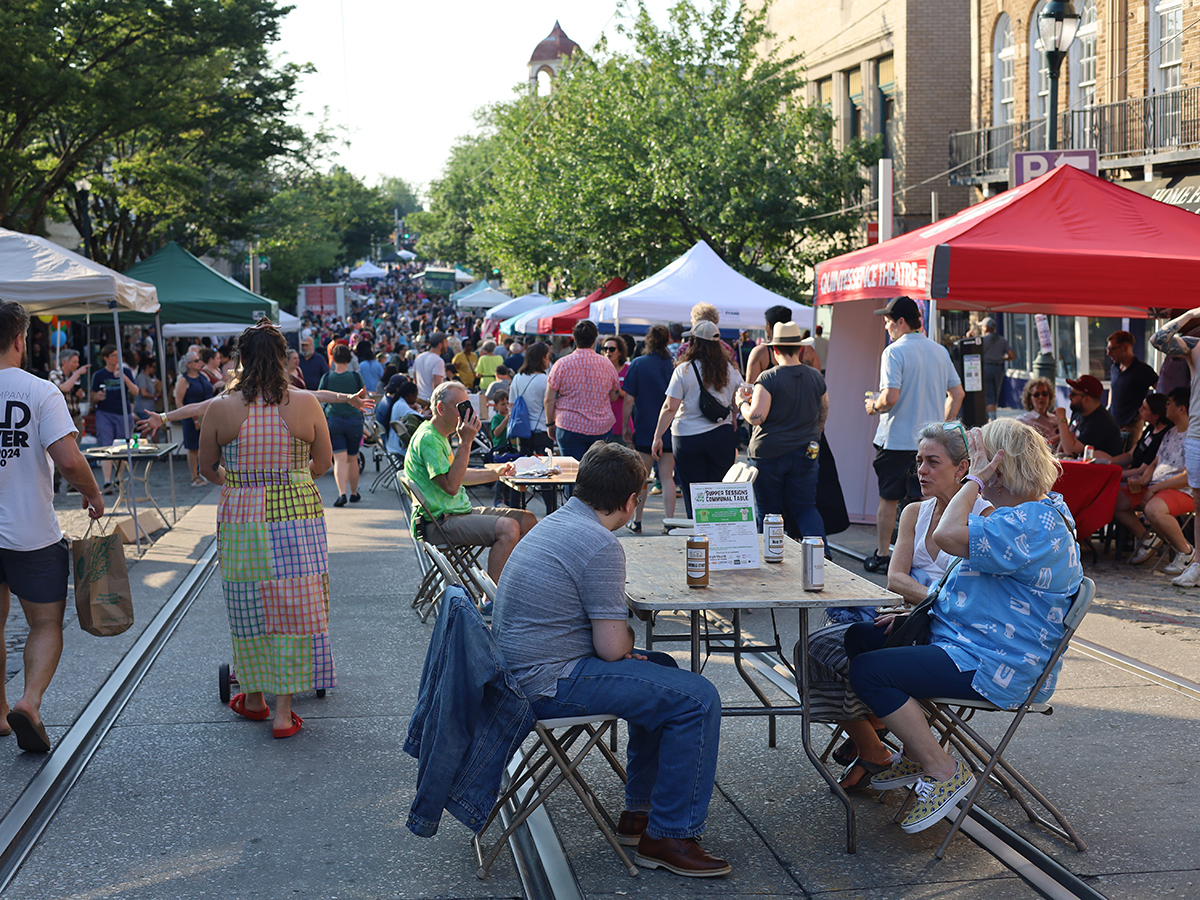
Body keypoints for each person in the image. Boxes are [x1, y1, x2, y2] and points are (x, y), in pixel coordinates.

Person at [492, 443, 731, 877]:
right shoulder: (599, 543)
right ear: (631, 502)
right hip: (548, 683)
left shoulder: (559, 522)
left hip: (522, 670)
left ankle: (640, 815)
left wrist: (628, 647)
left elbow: (612, 647)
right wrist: (628, 642)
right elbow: (612, 649)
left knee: (664, 671)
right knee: (697, 699)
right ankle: (670, 836)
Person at [846, 418, 1082, 834]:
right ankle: (919, 750)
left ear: (998, 467)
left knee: (870, 671)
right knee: (863, 639)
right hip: (971, 642)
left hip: (996, 663)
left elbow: (947, 534)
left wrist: (973, 479)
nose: (975, 467)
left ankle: (943, 769)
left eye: (979, 460)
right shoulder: (1026, 515)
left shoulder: (1031, 523)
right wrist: (921, 611)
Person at [807, 422, 992, 792]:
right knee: (816, 648)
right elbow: (895, 579)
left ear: (962, 468)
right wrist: (933, 603)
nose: (921, 471)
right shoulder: (913, 512)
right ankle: (873, 743)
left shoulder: (984, 517)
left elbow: (973, 601)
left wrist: (925, 606)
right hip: (911, 626)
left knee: (859, 654)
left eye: (932, 462)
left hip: (946, 638)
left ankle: (885, 735)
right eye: (919, 461)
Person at [198, 321, 334, 739]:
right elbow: (324, 464)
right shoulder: (306, 403)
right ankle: (283, 711)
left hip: (242, 519)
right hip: (297, 514)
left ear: (240, 359)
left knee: (247, 606)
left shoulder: (220, 407)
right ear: (284, 359)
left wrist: (242, 482)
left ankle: (254, 697)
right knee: (296, 606)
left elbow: (207, 469)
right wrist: (289, 476)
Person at [1, 301, 104, 753]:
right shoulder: (41, 392)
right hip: (30, 533)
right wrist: (93, 492)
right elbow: (67, 459)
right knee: (44, 622)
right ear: (21, 340)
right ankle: (30, 702)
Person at [863, 297, 965, 572]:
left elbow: (890, 397)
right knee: (929, 500)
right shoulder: (939, 351)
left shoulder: (894, 351)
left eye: (888, 322)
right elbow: (957, 394)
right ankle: (930, 556)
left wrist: (874, 405)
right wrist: (943, 426)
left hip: (896, 438)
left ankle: (884, 554)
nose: (886, 328)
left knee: (888, 498)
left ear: (901, 322)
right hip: (930, 442)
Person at [403, 381, 536, 582]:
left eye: (468, 406)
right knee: (508, 528)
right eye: (462, 408)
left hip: (454, 512)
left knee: (528, 520)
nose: (468, 414)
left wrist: (497, 473)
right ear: (440, 409)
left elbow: (458, 474)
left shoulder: (437, 433)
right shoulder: (429, 439)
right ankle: (491, 597)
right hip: (439, 522)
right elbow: (451, 486)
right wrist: (466, 442)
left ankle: (509, 583)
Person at [737, 321, 827, 538]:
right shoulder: (816, 376)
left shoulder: (769, 377)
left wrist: (742, 403)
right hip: (806, 450)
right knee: (806, 507)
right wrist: (815, 434)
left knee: (768, 512)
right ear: (801, 348)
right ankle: (820, 555)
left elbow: (757, 417)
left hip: (769, 453)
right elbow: (824, 410)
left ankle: (769, 559)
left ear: (774, 350)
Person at [652, 320, 744, 517]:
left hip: (687, 437)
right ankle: (716, 538)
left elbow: (670, 407)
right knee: (718, 493)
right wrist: (733, 415)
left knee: (693, 493)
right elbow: (739, 400)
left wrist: (658, 436)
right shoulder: (731, 370)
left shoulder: (684, 369)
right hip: (721, 435)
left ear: (694, 342)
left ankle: (698, 540)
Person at [1119, 387, 1194, 577]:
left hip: (1183, 490)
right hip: (1157, 487)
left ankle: (1186, 552)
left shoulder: (1194, 436)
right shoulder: (1171, 433)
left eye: (1169, 403)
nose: (1165, 407)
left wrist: (1155, 488)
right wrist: (1142, 481)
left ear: (1181, 409)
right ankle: (1148, 539)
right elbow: (1154, 463)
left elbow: (1188, 476)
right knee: (1116, 500)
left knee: (1153, 509)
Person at [1151, 307, 1200, 588]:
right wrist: (1191, 314)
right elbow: (1159, 339)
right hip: (1197, 436)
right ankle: (1196, 565)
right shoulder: (1195, 346)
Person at [622, 325, 677, 533]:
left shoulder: (638, 364)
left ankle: (637, 520)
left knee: (642, 477)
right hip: (670, 429)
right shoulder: (675, 365)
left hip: (645, 427)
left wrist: (626, 424)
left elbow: (628, 399)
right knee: (667, 476)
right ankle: (670, 522)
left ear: (648, 340)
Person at [545, 320, 620, 460]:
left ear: (574, 339)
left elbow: (549, 399)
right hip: (601, 427)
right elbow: (614, 395)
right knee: (598, 473)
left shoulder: (562, 364)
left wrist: (549, 423)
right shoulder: (607, 364)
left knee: (573, 474)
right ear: (594, 340)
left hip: (569, 425)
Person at [90, 343, 142, 492]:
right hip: (105, 413)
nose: (116, 358)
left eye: (118, 355)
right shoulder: (99, 375)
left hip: (123, 413)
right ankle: (107, 481)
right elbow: (92, 397)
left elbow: (136, 391)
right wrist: (97, 397)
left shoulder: (125, 371)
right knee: (106, 446)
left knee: (121, 447)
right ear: (106, 358)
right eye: (113, 355)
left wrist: (124, 377)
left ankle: (119, 478)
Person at [319, 344, 366, 507]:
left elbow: (321, 397)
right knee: (353, 459)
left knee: (339, 459)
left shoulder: (326, 378)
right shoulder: (356, 377)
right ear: (349, 358)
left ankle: (342, 493)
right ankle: (354, 493)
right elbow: (363, 396)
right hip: (354, 420)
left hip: (334, 419)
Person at [1106, 330, 1159, 441]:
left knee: (1128, 456)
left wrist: (1145, 411)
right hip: (1113, 422)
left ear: (1125, 347)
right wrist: (1109, 405)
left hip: (1131, 425)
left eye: (1112, 349)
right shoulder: (1114, 368)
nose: (1108, 353)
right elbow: (1113, 387)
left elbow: (1160, 389)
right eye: (1107, 349)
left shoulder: (1142, 370)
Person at [1054, 374, 1123, 458]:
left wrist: (1062, 420)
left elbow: (1071, 450)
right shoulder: (1079, 411)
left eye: (1073, 394)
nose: (1069, 396)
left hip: (1100, 468)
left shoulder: (1100, 422)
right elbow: (1067, 437)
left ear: (1086, 399)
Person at [175, 351, 214, 486]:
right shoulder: (184, 380)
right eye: (196, 361)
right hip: (192, 417)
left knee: (207, 445)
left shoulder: (203, 376)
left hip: (207, 415)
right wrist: (189, 417)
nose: (199, 363)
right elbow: (179, 401)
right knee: (193, 447)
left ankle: (205, 472)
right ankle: (194, 476)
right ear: (189, 365)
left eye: (199, 360)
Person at [509, 343, 553, 456]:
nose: (549, 359)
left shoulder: (517, 378)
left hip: (522, 429)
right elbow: (551, 404)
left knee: (524, 467)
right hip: (542, 430)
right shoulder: (546, 380)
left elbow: (511, 405)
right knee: (544, 469)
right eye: (548, 356)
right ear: (543, 358)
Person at [978, 317, 1015, 418]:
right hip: (998, 370)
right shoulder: (1002, 340)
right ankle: (992, 415)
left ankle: (992, 418)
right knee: (995, 394)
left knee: (988, 395)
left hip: (985, 368)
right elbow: (1012, 355)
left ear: (985, 328)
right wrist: (1002, 358)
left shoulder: (981, 340)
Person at [48, 348, 89, 437]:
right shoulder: (54, 374)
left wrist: (80, 395)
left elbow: (77, 396)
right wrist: (77, 373)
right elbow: (64, 388)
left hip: (76, 416)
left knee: (76, 448)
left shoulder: (75, 376)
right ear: (64, 363)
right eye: (74, 362)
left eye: (77, 362)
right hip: (61, 419)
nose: (77, 365)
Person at [601, 336, 630, 445]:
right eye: (605, 349)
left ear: (620, 352)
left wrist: (615, 388)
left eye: (612, 349)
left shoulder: (628, 369)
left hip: (621, 423)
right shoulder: (599, 369)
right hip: (601, 424)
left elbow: (631, 395)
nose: (608, 352)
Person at [1014, 377, 1059, 444]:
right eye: (1036, 395)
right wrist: (1059, 437)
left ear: (1050, 397)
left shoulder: (1056, 419)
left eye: (1044, 394)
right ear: (1029, 399)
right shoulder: (1023, 421)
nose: (1041, 397)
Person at [414, 332, 448, 405]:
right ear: (440, 345)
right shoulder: (438, 361)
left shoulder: (419, 357)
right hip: (430, 402)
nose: (448, 345)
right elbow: (436, 385)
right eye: (446, 342)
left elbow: (415, 380)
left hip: (419, 401)